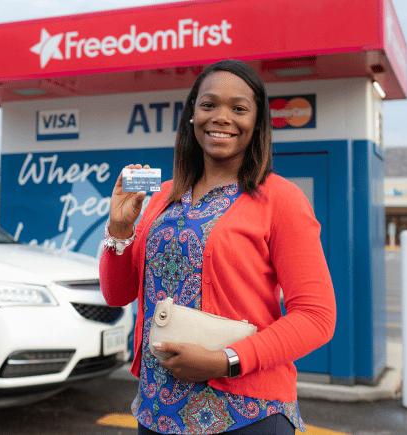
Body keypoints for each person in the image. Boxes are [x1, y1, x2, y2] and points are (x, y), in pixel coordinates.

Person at [100, 59, 336, 435]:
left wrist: (225, 361)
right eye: (209, 105)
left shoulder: (281, 198)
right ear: (192, 115)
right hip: (157, 410)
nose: (221, 117)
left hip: (247, 414)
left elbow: (316, 317)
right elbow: (117, 294)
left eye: (238, 108)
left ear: (256, 123)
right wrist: (120, 228)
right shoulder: (162, 198)